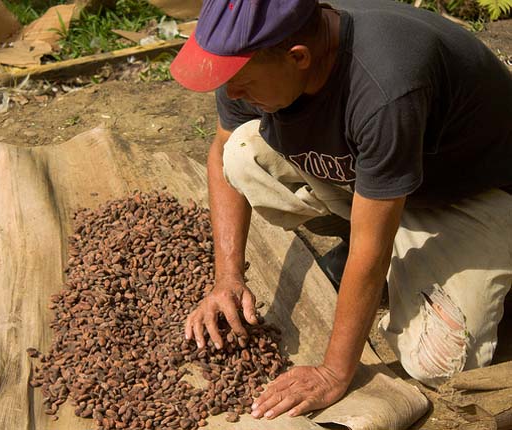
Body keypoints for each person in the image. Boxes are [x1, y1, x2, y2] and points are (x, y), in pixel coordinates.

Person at [169, 0, 512, 421]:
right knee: (243, 155)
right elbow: (222, 148)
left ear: (298, 58)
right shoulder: (259, 51)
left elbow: (371, 246)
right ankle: (375, 248)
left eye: (242, 84)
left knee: (434, 365)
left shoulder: (386, 85)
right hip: (378, 180)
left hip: (467, 194)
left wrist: (333, 371)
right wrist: (227, 278)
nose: (232, 94)